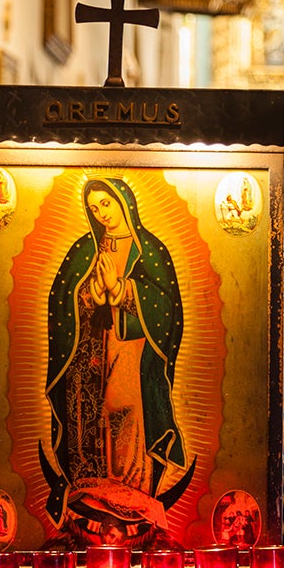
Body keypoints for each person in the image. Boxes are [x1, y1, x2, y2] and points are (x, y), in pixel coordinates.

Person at [43, 177, 188, 532]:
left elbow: (167, 309)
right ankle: (97, 499)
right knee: (96, 417)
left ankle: (133, 500)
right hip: (90, 356)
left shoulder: (150, 250)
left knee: (128, 415)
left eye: (106, 203)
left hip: (134, 354)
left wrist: (121, 290)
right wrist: (91, 295)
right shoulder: (84, 249)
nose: (101, 213)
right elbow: (61, 301)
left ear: (125, 202)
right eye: (94, 208)